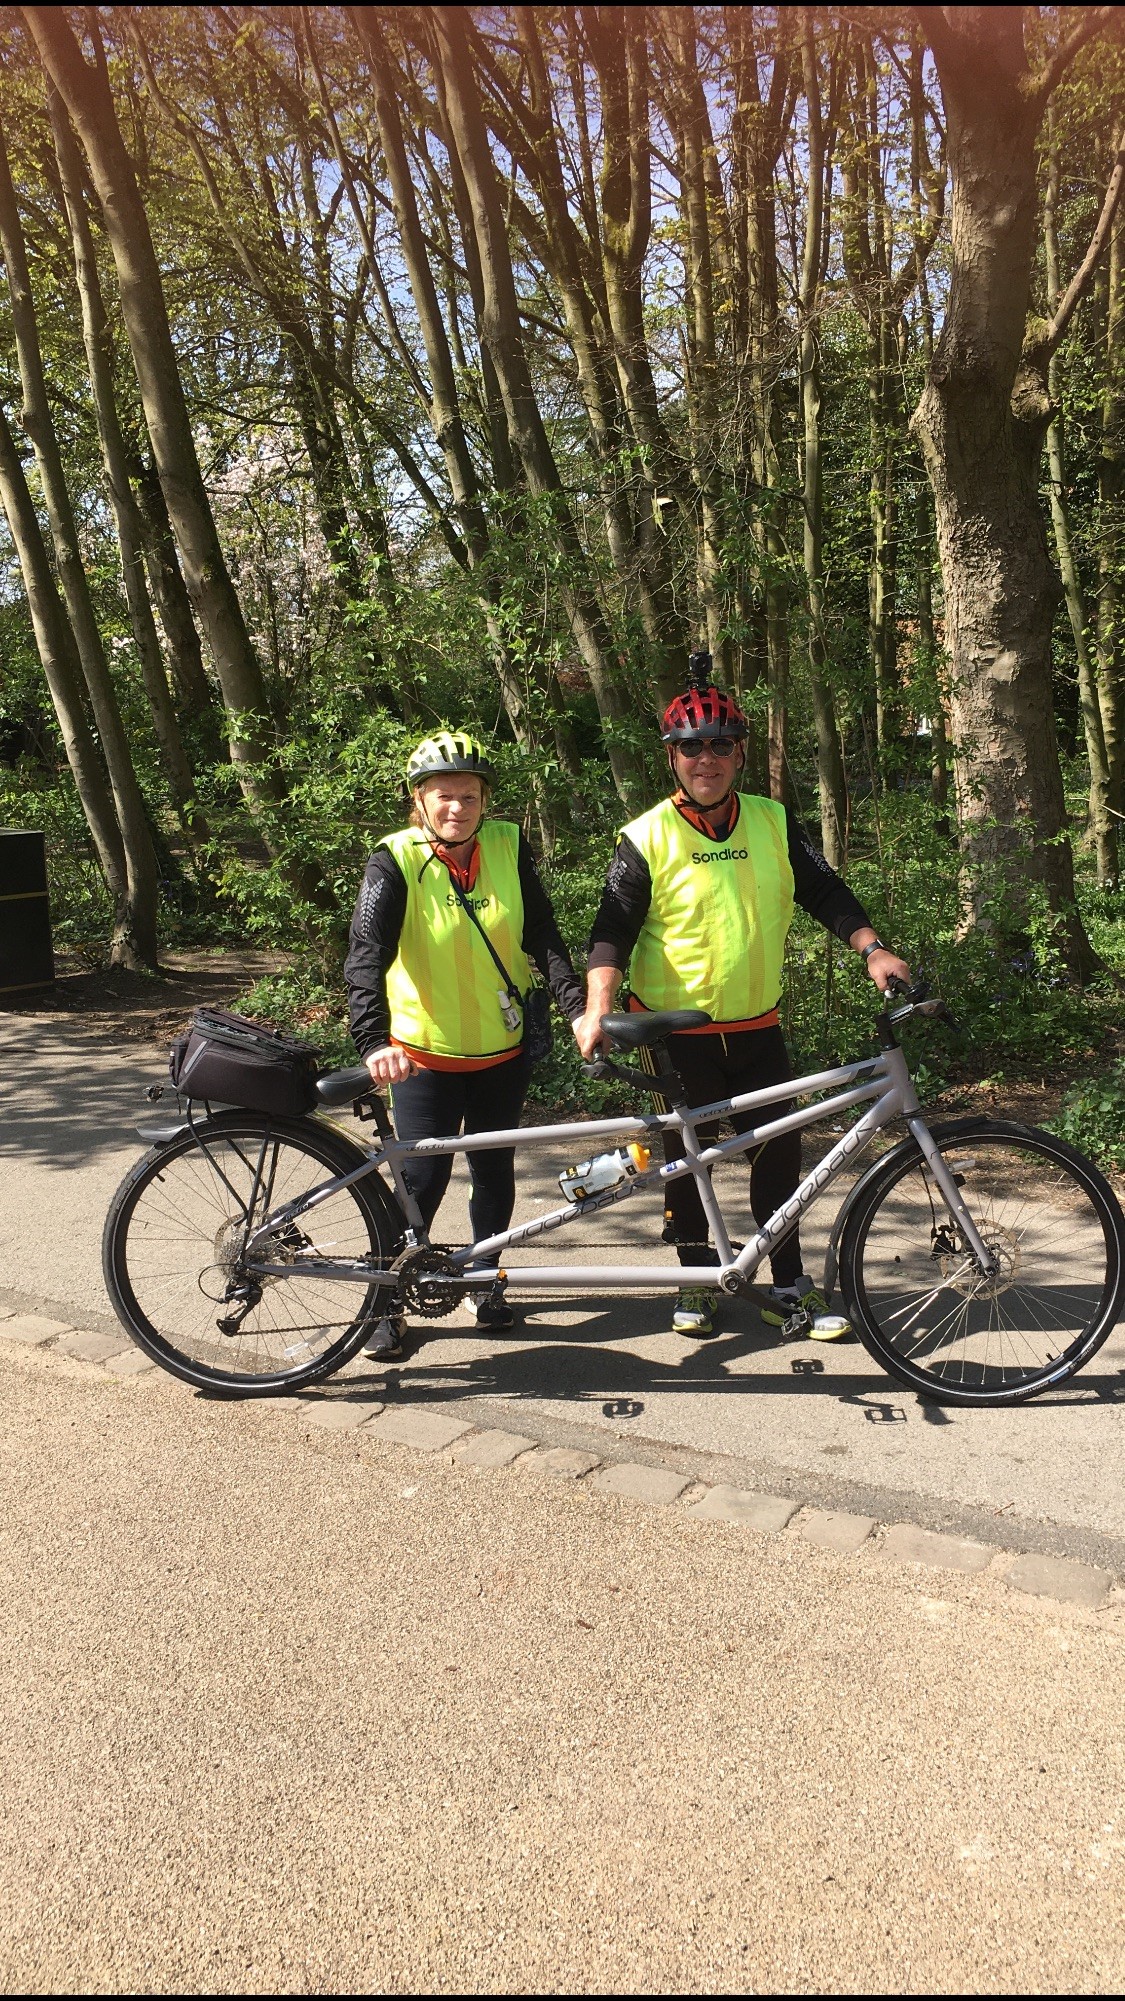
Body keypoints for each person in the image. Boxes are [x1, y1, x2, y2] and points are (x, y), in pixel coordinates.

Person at [573, 655, 911, 1340]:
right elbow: (612, 930)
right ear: (671, 757)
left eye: (720, 744)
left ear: (741, 752)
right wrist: (596, 1007)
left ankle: (788, 1281)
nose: (707, 758)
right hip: (674, 1036)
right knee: (683, 1162)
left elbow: (825, 893)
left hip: (758, 1028)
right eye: (691, 747)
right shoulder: (645, 837)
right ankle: (694, 1277)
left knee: (777, 1160)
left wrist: (873, 949)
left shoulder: (772, 821)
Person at [345, 731, 584, 1357]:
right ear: (418, 799)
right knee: (421, 1179)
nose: (458, 808)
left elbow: (542, 935)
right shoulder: (392, 859)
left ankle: (485, 1279)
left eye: (470, 797)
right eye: (444, 796)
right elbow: (367, 954)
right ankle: (386, 1301)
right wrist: (372, 1039)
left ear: (485, 801)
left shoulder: (506, 845)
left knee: (493, 1171)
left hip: (500, 1053)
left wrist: (578, 1006)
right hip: (422, 1055)